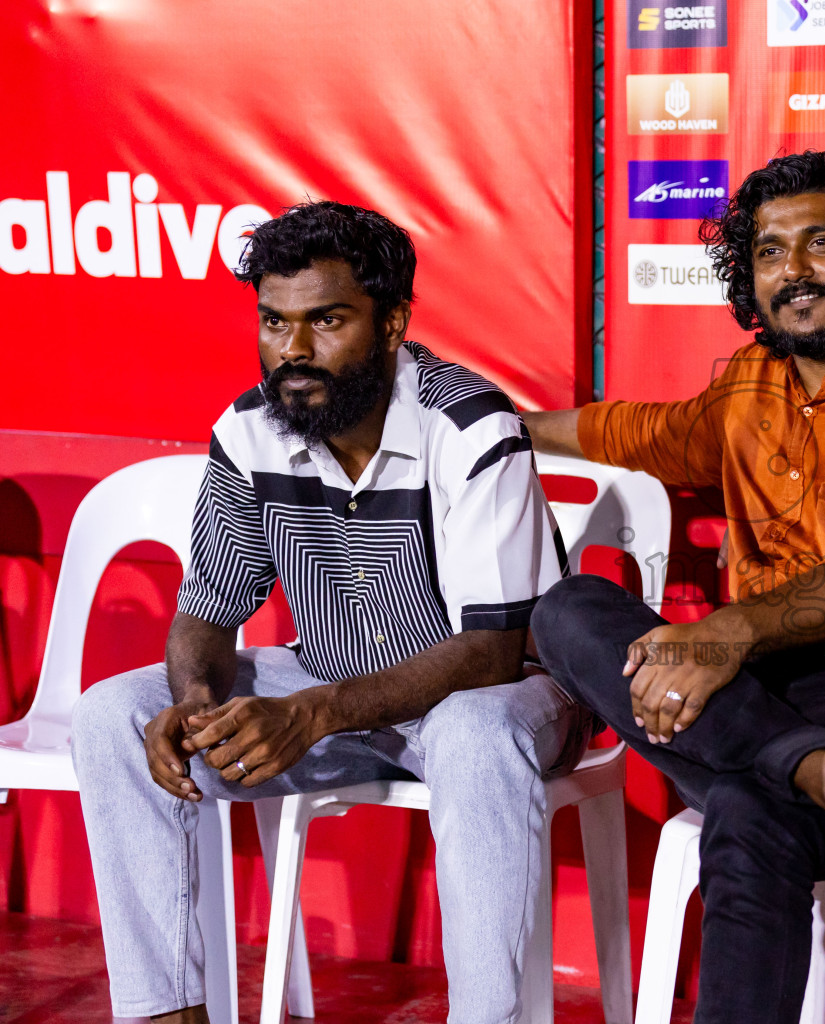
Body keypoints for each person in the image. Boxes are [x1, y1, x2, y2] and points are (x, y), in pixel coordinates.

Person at [525, 150, 825, 1024]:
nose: (793, 272)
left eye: (820, 243)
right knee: (567, 609)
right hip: (772, 693)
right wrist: (485, 425)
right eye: (768, 252)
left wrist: (723, 634)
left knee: (750, 804)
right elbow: (631, 431)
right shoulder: (752, 388)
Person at [72, 201, 585, 1024]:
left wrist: (311, 714)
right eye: (274, 321)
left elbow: (492, 652)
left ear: (393, 323)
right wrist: (196, 708)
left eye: (327, 320)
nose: (293, 351)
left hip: (503, 692)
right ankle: (167, 1013)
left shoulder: (470, 426)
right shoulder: (248, 430)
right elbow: (206, 613)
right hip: (337, 683)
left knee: (472, 731)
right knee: (113, 717)